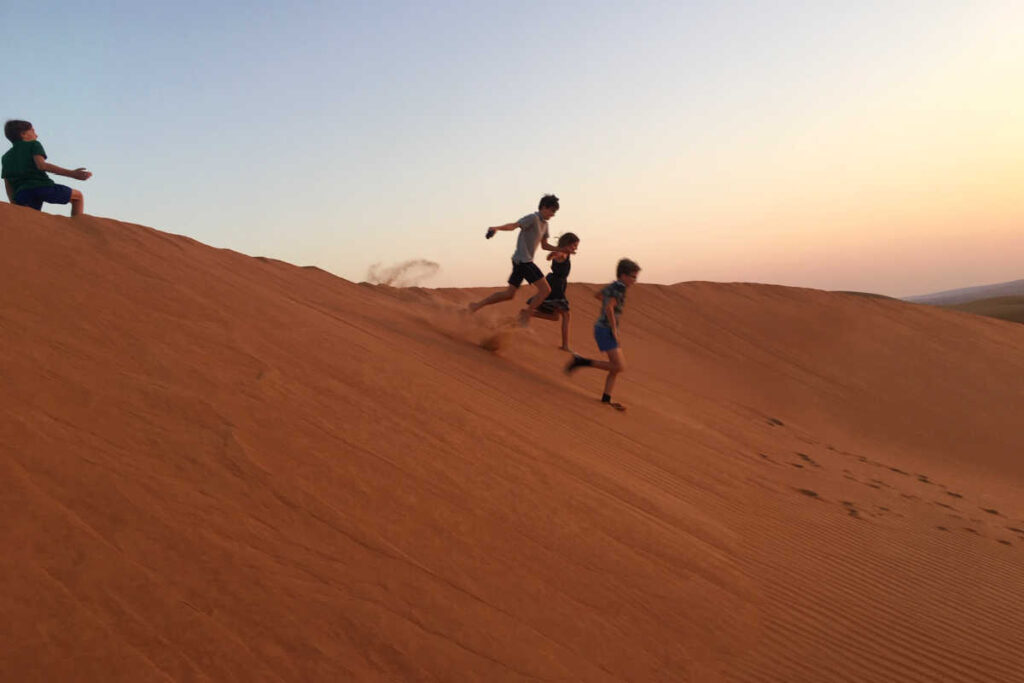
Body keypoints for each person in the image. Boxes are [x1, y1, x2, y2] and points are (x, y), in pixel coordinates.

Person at [468, 194, 572, 325]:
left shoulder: (545, 225)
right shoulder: (533, 218)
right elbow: (514, 225)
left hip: (521, 261)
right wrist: (497, 228)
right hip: (523, 261)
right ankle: (526, 315)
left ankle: (476, 306)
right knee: (546, 290)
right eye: (552, 211)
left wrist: (560, 249)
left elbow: (544, 245)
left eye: (554, 212)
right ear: (544, 207)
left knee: (509, 294)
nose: (553, 214)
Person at [565, 258, 641, 411]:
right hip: (605, 329)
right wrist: (614, 328)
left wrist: (608, 302)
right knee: (619, 366)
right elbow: (609, 308)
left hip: (602, 328)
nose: (635, 280)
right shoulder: (620, 288)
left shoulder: (614, 285)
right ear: (623, 275)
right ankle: (582, 361)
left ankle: (606, 398)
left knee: (615, 367)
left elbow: (598, 295)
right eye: (632, 276)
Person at [2, 120, 91, 217]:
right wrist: (72, 174)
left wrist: (13, 203)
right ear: (23, 134)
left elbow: (7, 183)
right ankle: (78, 227)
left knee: (30, 218)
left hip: (22, 194)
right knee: (77, 197)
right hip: (43, 187)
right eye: (33, 131)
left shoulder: (6, 157)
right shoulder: (33, 144)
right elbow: (42, 165)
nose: (36, 135)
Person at [526, 232, 580, 351]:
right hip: (555, 286)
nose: (575, 248)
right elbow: (556, 254)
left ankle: (528, 313)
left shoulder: (565, 253)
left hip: (557, 284)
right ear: (567, 244)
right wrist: (554, 254)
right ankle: (565, 345)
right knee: (566, 314)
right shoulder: (563, 254)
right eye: (574, 245)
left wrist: (556, 254)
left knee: (555, 316)